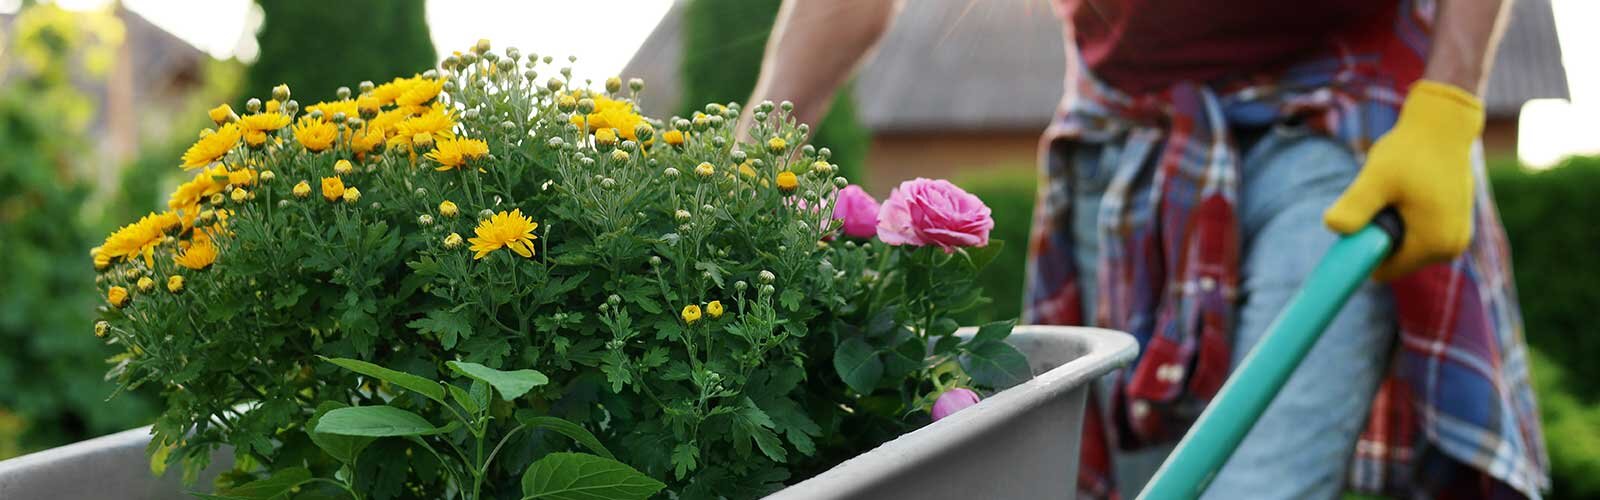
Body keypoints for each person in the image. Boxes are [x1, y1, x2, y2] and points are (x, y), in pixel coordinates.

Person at [739, 0, 1548, 498]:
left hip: (1337, 112)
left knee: (1254, 486)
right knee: (1150, 486)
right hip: (1130, 136)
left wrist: (1450, 101)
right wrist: (747, 172)